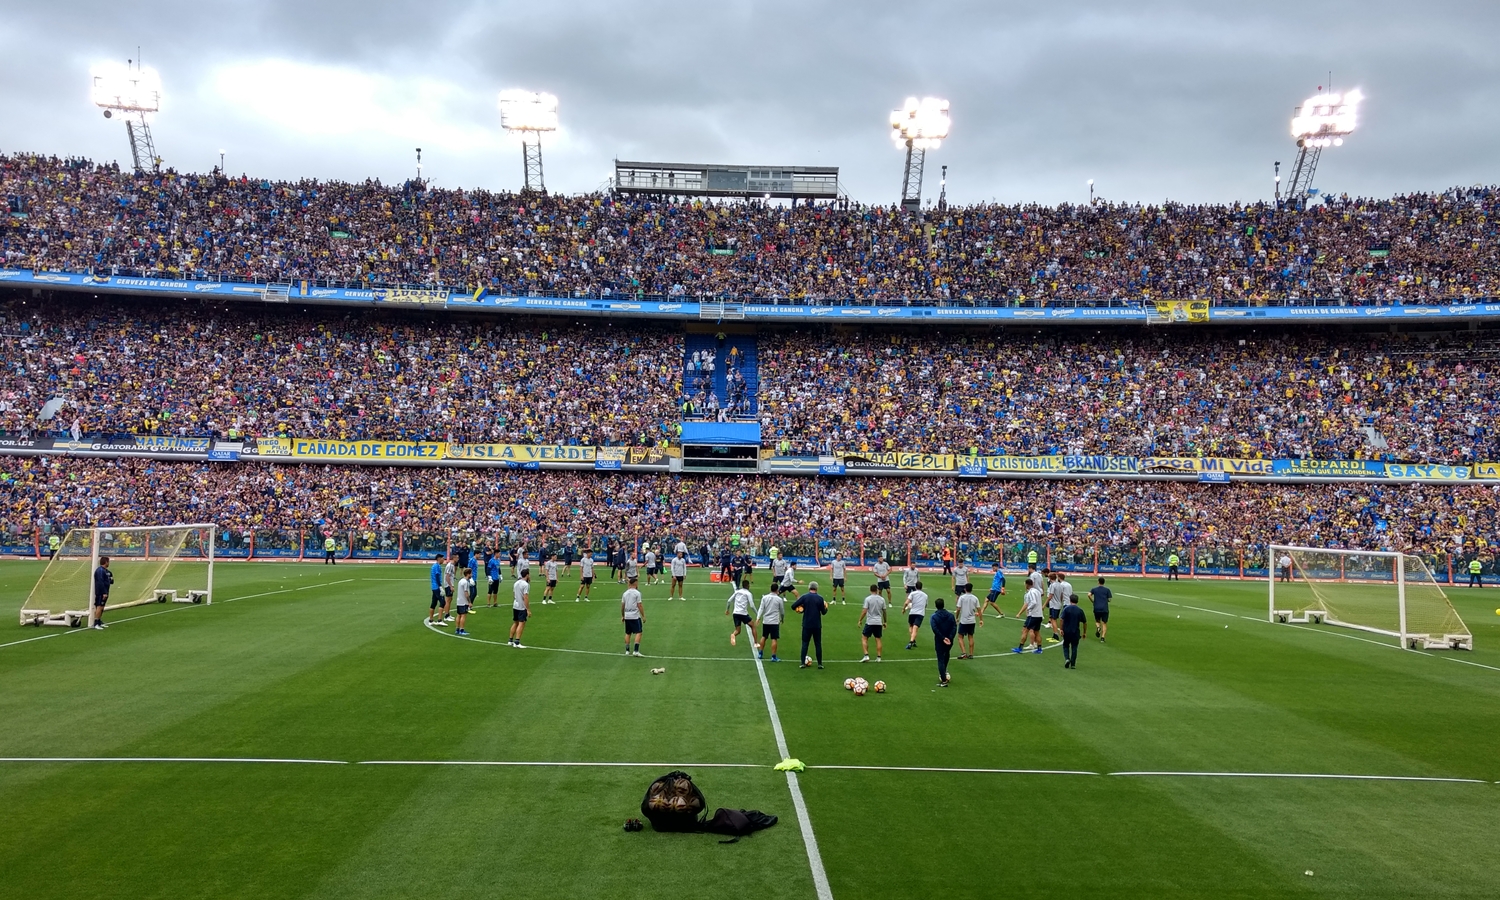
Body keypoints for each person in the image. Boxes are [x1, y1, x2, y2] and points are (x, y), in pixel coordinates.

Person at [792, 581, 829, 669]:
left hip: (806, 624)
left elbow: (793, 606)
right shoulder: (820, 598)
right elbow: (823, 612)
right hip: (817, 625)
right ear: (817, 588)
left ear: (809, 588)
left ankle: (802, 663)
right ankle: (820, 664)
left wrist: (802, 609)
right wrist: (826, 608)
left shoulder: (804, 597)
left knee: (805, 643)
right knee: (818, 644)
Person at [1013, 578, 1045, 654]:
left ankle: (1020, 648)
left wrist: (1028, 608)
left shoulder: (1030, 592)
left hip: (1033, 615)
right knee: (1037, 632)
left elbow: (1033, 602)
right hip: (1039, 615)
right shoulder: (1037, 591)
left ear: (1027, 585)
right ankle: (1039, 649)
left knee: (1025, 630)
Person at [930, 597, 957, 687]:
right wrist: (950, 637)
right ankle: (944, 672)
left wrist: (942, 638)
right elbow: (954, 627)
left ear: (936, 606)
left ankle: (944, 679)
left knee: (940, 659)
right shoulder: (950, 615)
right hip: (949, 640)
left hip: (940, 640)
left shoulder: (934, 617)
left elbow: (935, 629)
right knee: (947, 653)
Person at [858, 584, 886, 663]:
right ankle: (879, 657)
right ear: (877, 590)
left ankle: (866, 655)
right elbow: (884, 611)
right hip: (878, 622)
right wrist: (885, 621)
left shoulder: (868, 599)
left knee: (864, 638)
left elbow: (864, 611)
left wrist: (860, 620)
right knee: (878, 639)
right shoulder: (882, 599)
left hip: (870, 622)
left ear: (870, 590)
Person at [757, 584, 785, 662]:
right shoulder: (779, 599)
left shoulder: (764, 598)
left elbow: (761, 608)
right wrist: (782, 618)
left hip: (766, 621)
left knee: (764, 637)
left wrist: (758, 617)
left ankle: (760, 653)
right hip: (774, 622)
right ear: (777, 590)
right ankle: (773, 656)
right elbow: (782, 611)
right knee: (774, 639)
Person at [726, 578, 758, 647]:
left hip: (735, 613)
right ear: (748, 585)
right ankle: (756, 643)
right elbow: (752, 606)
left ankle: (733, 634)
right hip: (743, 614)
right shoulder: (748, 593)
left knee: (738, 630)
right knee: (753, 626)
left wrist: (727, 610)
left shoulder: (737, 592)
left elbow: (729, 601)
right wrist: (757, 614)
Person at [1061, 594, 1087, 669]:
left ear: (1070, 600)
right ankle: (1073, 664)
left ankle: (1067, 658)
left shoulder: (1066, 609)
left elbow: (1062, 619)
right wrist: (1084, 632)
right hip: (1075, 632)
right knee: (1074, 647)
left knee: (1066, 645)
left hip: (1067, 631)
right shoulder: (1080, 610)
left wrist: (1061, 629)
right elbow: (1085, 622)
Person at [955, 585, 981, 659]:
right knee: (971, 636)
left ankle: (964, 653)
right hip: (972, 620)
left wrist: (956, 617)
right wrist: (981, 619)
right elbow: (979, 609)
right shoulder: (975, 598)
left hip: (964, 620)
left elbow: (958, 609)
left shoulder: (962, 597)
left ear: (965, 589)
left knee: (960, 637)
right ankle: (971, 654)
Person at [902, 579, 929, 650]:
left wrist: (903, 609)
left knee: (911, 626)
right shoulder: (925, 595)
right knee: (915, 628)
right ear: (921, 587)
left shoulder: (912, 594)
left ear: (915, 587)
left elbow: (906, 602)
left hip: (912, 612)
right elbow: (925, 605)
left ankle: (912, 641)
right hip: (920, 613)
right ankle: (912, 641)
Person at [622, 576, 645, 656]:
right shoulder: (637, 593)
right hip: (635, 615)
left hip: (627, 615)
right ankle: (636, 651)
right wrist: (643, 616)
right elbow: (639, 605)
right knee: (639, 632)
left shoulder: (625, 593)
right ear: (635, 583)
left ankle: (627, 651)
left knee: (628, 633)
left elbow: (622, 605)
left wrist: (623, 615)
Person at [509, 569, 530, 647]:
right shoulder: (526, 585)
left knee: (515, 622)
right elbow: (525, 597)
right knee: (521, 623)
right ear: (527, 575)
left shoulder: (516, 583)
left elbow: (514, 594)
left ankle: (510, 640)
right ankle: (517, 642)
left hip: (515, 605)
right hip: (522, 607)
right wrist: (528, 609)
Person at [90, 555, 113, 629]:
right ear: (106, 562)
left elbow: (111, 581)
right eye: (108, 562)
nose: (109, 563)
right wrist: (104, 592)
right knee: (99, 606)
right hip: (101, 592)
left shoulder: (106, 571)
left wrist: (110, 579)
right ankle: (96, 623)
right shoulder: (100, 570)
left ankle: (99, 621)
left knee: (102, 607)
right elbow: (100, 582)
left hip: (105, 591)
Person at [453, 567, 475, 635]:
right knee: (463, 615)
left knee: (458, 615)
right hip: (463, 602)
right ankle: (462, 630)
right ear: (468, 574)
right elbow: (466, 593)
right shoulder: (465, 582)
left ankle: (457, 629)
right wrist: (469, 602)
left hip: (459, 601)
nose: (471, 575)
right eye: (471, 573)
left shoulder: (461, 581)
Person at [1090, 576, 1112, 642]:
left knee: (1097, 621)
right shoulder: (1107, 590)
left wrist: (1093, 601)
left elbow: (1089, 594)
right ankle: (1102, 638)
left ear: (1098, 582)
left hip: (1096, 608)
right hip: (1104, 608)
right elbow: (1109, 599)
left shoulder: (1094, 589)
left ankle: (1098, 627)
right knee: (1104, 623)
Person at [1045, 572, 1066, 644]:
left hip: (1053, 605)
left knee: (1053, 620)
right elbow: (1062, 595)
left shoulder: (1052, 585)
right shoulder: (1060, 585)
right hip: (1058, 604)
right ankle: (1054, 635)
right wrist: (1059, 601)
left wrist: (1044, 605)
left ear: (1050, 578)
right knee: (1053, 619)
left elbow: (1050, 596)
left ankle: (1056, 635)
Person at [428, 554, 448, 625]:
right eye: (443, 558)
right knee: (443, 602)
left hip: (434, 587)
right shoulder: (437, 566)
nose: (444, 560)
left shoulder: (435, 566)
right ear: (439, 558)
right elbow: (437, 577)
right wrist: (440, 586)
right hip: (436, 587)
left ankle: (431, 620)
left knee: (434, 603)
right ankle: (439, 620)